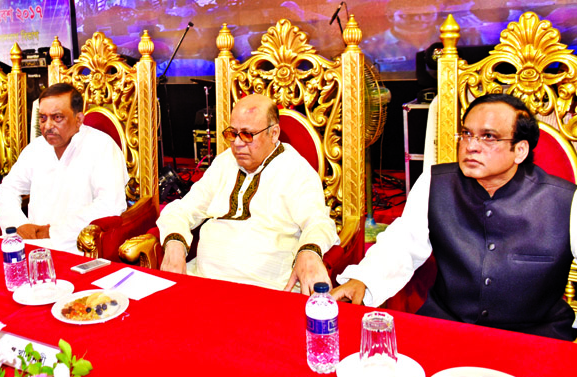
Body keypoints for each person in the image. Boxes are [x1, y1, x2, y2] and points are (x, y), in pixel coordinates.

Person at [332, 93, 577, 341]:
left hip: (536, 335)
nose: (471, 146)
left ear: (520, 150)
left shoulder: (566, 201)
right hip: (448, 326)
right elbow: (401, 244)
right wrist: (364, 280)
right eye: (467, 134)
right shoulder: (435, 183)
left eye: (488, 137)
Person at [157, 94, 340, 295]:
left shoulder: (295, 170)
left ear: (274, 133)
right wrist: (175, 243)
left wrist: (310, 251)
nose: (237, 143)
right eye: (232, 133)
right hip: (201, 281)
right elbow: (182, 210)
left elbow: (318, 223)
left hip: (267, 291)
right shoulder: (224, 162)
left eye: (247, 135)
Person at [0, 83, 128, 254]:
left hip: (79, 249)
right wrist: (20, 225)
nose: (47, 126)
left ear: (79, 119)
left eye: (57, 117)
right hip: (32, 245)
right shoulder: (37, 148)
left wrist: (53, 231)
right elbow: (7, 190)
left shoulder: (102, 146)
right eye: (42, 118)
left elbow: (110, 205)